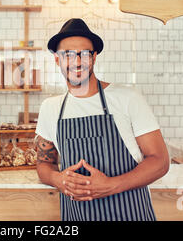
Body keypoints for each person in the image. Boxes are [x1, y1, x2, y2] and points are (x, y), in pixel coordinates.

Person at [35, 18, 170, 221]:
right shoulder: (50, 108)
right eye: (68, 54)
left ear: (94, 57)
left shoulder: (127, 98)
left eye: (84, 53)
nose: (77, 61)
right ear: (57, 60)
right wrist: (57, 179)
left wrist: (110, 186)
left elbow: (160, 162)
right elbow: (44, 164)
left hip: (130, 213)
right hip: (77, 216)